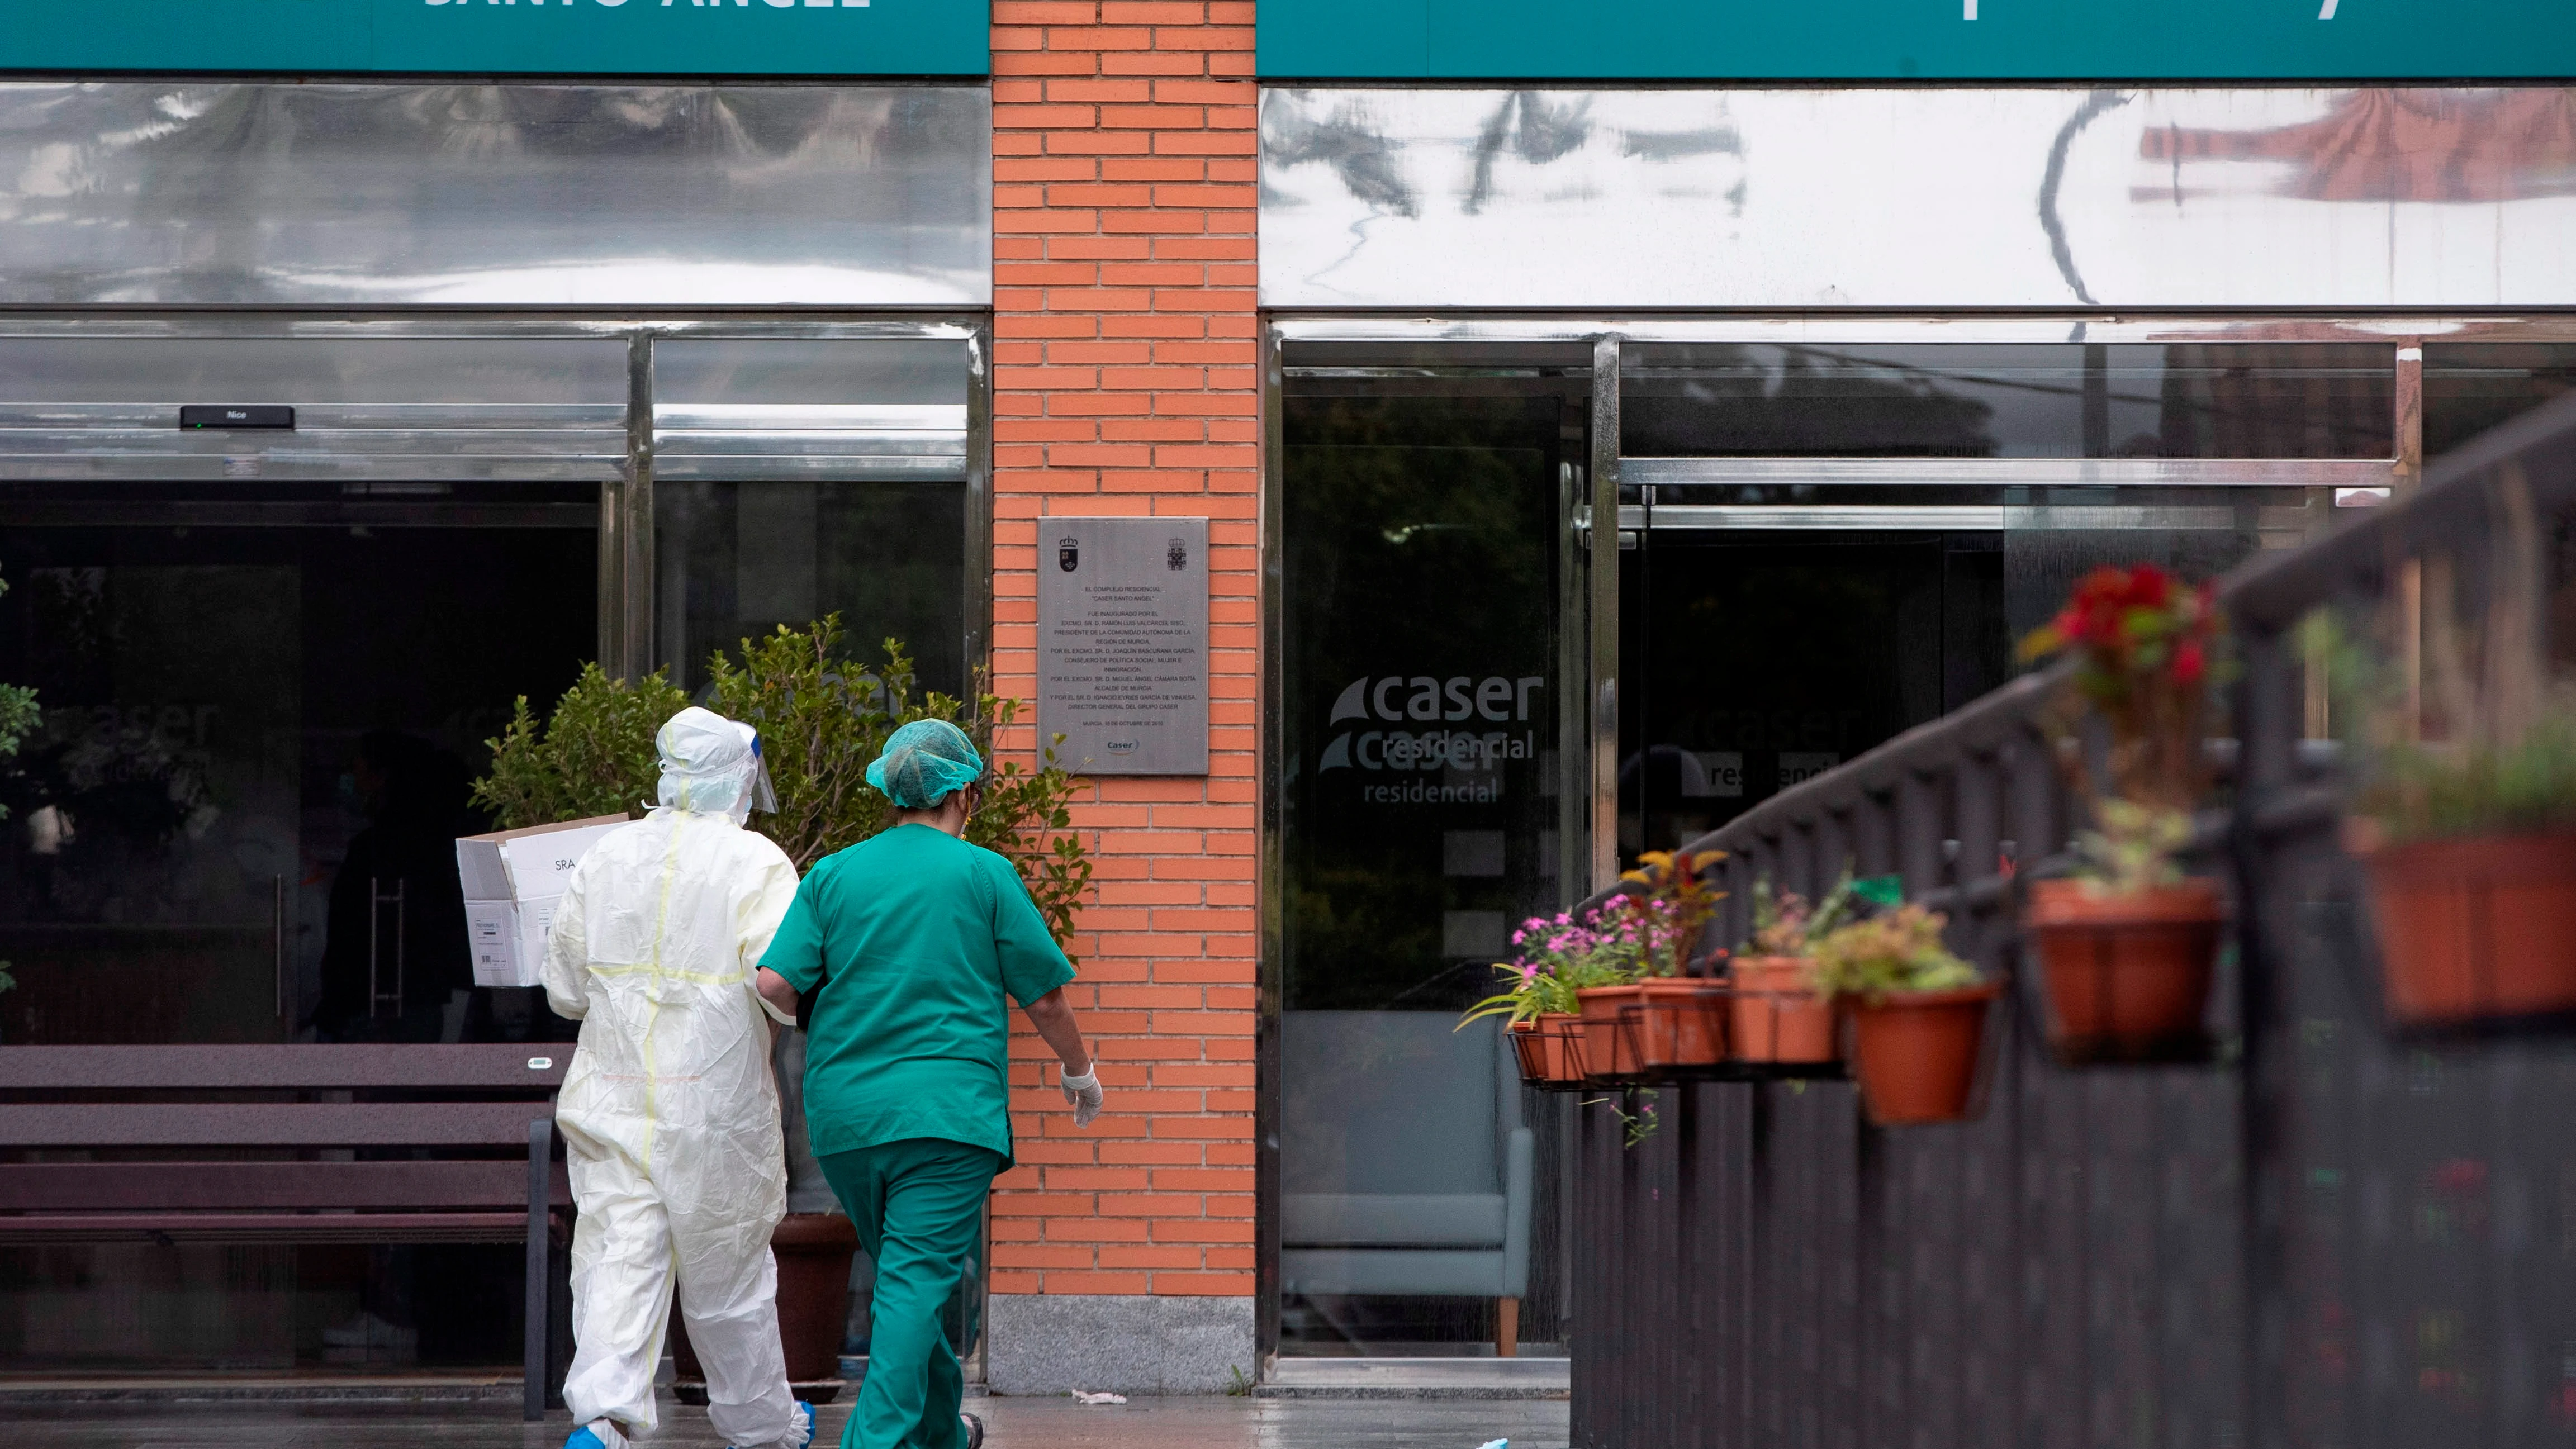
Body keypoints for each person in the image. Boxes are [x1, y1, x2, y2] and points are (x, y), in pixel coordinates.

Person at [756, 720, 1104, 1449]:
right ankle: (873, 1443)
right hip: (947, 1120)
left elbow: (775, 984)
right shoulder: (983, 876)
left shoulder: (833, 875)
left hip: (847, 1121)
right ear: (965, 794)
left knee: (910, 1275)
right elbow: (1045, 998)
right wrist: (1079, 1071)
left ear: (892, 790)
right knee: (914, 1284)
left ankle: (943, 1434)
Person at [543, 707, 814, 1449]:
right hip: (714, 1103)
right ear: (737, 778)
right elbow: (781, 982)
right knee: (729, 1274)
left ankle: (603, 1417)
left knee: (617, 1256)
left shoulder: (606, 856)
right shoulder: (755, 861)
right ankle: (763, 1426)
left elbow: (565, 989)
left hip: (613, 1093)